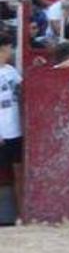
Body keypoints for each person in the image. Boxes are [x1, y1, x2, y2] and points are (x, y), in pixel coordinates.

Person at [0, 34, 23, 222]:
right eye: (8, 48)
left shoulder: (11, 71)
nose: (11, 51)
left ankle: (20, 215)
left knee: (18, 173)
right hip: (2, 132)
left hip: (15, 131)